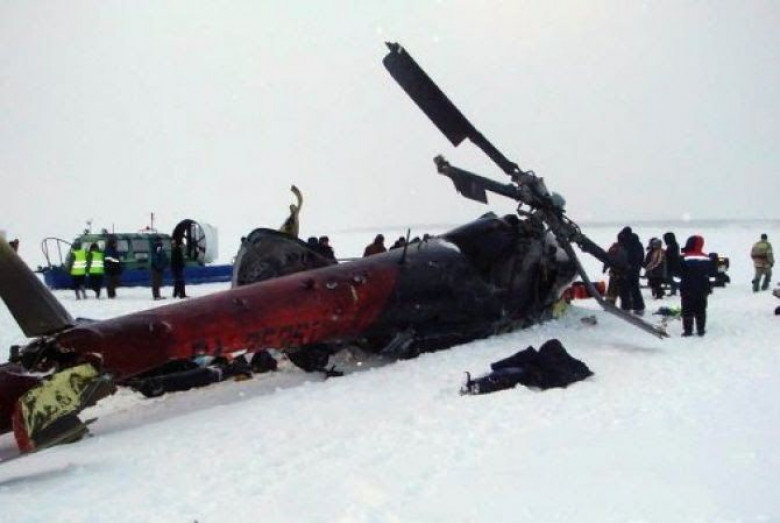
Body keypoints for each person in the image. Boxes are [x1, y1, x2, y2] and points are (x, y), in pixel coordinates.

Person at [680, 235, 713, 337]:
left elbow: (679, 272)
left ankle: (688, 330)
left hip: (687, 287)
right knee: (701, 310)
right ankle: (701, 330)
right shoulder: (707, 258)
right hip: (702, 288)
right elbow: (711, 273)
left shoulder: (684, 257)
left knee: (687, 310)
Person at [617, 227, 645, 315]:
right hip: (635, 270)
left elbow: (628, 257)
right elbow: (641, 257)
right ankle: (639, 307)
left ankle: (626, 307)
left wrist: (627, 266)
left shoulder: (627, 244)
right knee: (635, 289)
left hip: (627, 270)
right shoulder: (637, 244)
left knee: (624, 289)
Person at [603, 235, 627, 305]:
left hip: (616, 273)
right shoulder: (627, 248)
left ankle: (610, 303)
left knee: (612, 290)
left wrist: (605, 267)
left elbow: (607, 258)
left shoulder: (614, 248)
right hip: (620, 273)